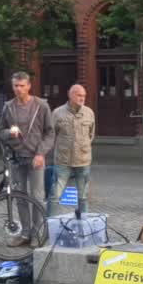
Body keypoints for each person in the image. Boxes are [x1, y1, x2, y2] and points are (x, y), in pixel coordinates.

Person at [0, 72, 54, 237]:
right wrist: (9, 133)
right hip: (16, 158)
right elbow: (0, 131)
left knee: (37, 196)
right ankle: (26, 233)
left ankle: (36, 234)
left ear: (29, 86)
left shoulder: (41, 106)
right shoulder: (8, 106)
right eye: (16, 85)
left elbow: (50, 133)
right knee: (20, 197)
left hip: (36, 157)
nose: (19, 89)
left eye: (22, 86)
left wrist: (41, 153)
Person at [50, 83, 95, 217]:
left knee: (83, 197)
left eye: (84, 96)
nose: (82, 98)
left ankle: (84, 226)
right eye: (79, 95)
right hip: (63, 161)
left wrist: (83, 147)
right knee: (54, 196)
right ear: (70, 95)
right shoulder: (57, 113)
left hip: (83, 161)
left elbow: (91, 135)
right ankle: (50, 226)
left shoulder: (89, 113)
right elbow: (52, 135)